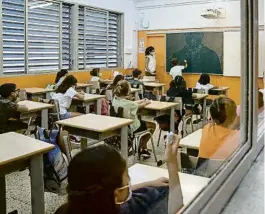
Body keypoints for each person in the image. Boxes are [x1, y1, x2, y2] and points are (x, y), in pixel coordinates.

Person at [55, 136, 183, 214]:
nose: (129, 180)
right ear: (116, 195)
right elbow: (177, 209)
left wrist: (149, 183)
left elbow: (104, 193)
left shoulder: (66, 209)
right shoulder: (130, 210)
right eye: (127, 176)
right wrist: (172, 164)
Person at [112, 80, 156, 158]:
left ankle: (142, 147)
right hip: (132, 127)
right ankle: (143, 147)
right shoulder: (129, 104)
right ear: (128, 91)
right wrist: (146, 102)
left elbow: (133, 103)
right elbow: (141, 105)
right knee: (153, 125)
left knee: (144, 123)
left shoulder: (114, 100)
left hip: (119, 126)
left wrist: (142, 100)